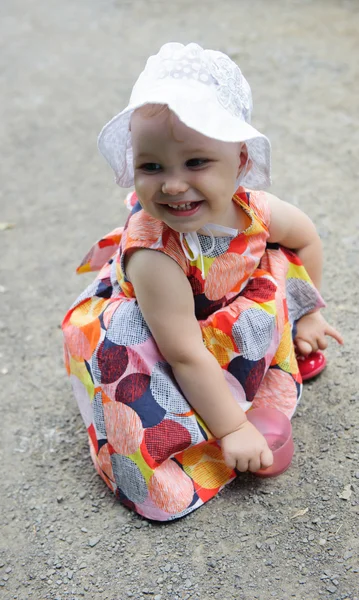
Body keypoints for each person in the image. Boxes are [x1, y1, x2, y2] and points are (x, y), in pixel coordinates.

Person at [62, 42, 343, 521]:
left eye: (196, 163)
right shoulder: (155, 256)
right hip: (163, 337)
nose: (172, 185)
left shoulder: (256, 211)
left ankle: (279, 354)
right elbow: (184, 353)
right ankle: (208, 422)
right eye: (152, 166)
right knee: (137, 384)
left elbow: (307, 242)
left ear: (240, 161)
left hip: (221, 311)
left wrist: (310, 313)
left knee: (275, 262)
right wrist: (233, 429)